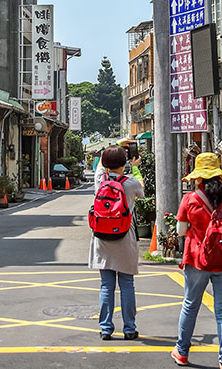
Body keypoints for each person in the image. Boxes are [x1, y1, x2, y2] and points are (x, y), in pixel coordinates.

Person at [172, 152, 222, 369]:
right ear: (219, 176)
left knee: (190, 306)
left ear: (198, 177)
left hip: (197, 260)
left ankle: (182, 352)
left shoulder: (190, 199)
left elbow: (180, 231)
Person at [88, 145, 145, 340]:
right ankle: (129, 329)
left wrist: (109, 152)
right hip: (125, 238)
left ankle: (106, 329)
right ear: (124, 163)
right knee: (127, 284)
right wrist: (135, 167)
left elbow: (100, 167)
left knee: (106, 286)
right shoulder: (131, 184)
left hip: (102, 238)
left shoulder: (100, 180)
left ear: (104, 163)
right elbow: (142, 191)